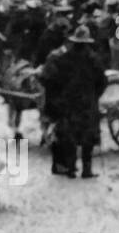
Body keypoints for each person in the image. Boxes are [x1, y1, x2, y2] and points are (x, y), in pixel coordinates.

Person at [40, 26, 107, 179]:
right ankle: (87, 169)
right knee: (88, 137)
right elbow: (103, 81)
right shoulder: (93, 58)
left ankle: (71, 168)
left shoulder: (62, 58)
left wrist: (58, 96)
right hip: (88, 103)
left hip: (68, 102)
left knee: (69, 136)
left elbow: (50, 79)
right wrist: (94, 95)